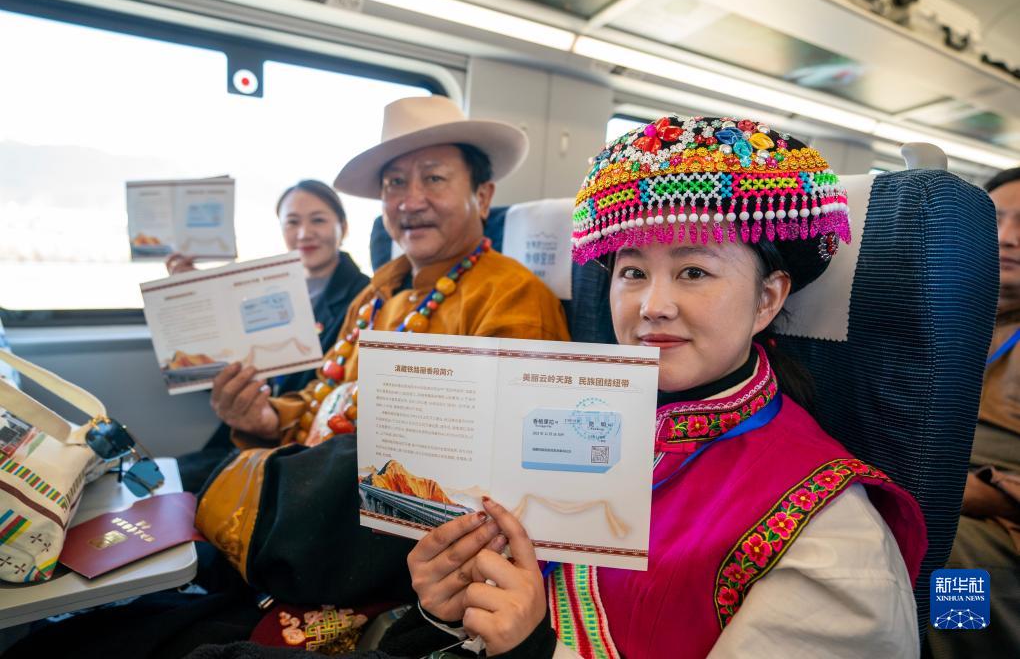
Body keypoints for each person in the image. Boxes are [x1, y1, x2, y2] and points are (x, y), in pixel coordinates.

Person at [376, 115, 928, 658]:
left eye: (694, 272)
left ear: (767, 299)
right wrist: (445, 610)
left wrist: (535, 650)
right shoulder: (558, 424)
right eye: (633, 273)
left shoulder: (829, 529)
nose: (652, 306)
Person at [194, 95, 571, 610]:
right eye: (394, 183)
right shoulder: (378, 292)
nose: (409, 201)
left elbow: (496, 465)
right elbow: (325, 393)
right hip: (317, 501)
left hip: (395, 537)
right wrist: (264, 418)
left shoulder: (513, 297)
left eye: (433, 178)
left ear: (482, 197)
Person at [173, 180, 370, 492]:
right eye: (292, 222)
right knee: (171, 478)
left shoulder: (365, 300)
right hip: (246, 430)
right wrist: (195, 296)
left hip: (296, 444)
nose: (304, 233)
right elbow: (223, 368)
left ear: (343, 228)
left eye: (318, 220)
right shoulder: (265, 294)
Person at [927, 167, 1020, 658]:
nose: (1006, 238)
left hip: (995, 520)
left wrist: (953, 491)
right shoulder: (934, 310)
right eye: (995, 220)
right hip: (921, 482)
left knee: (948, 563)